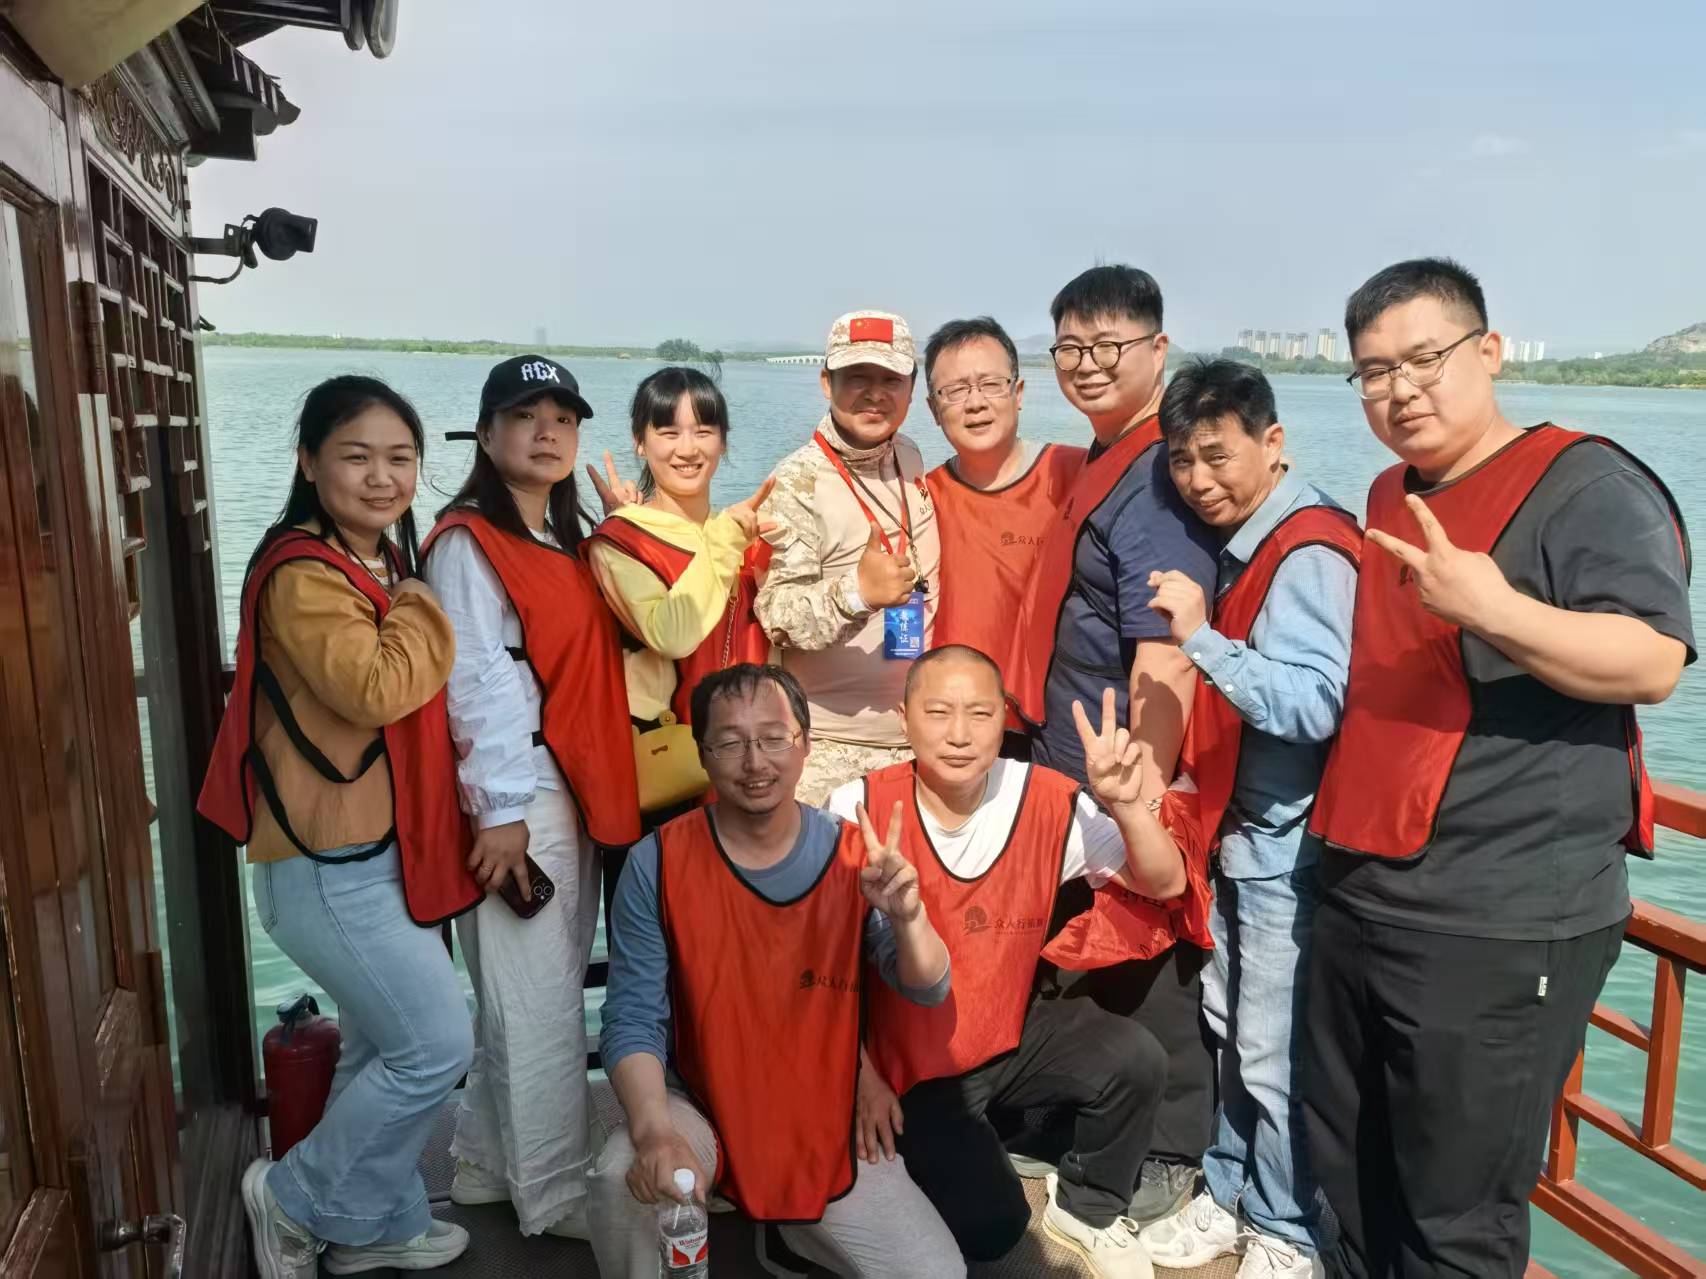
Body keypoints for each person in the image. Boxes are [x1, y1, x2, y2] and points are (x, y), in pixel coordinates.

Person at [1304, 258, 1693, 1278]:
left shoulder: (1586, 485)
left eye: (1423, 358)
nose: (1399, 389)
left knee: (1453, 1217)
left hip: (1497, 913)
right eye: (1373, 371)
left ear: (1489, 351)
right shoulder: (1390, 490)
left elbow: (1652, 660)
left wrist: (1495, 608)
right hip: (1364, 887)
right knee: (1347, 1175)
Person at [198, 376, 480, 1278]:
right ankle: (293, 1196)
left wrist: (404, 587)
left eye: (400, 458)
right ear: (309, 461)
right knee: (436, 1045)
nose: (381, 477)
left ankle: (373, 1225)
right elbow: (377, 687)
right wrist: (425, 599)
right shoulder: (307, 574)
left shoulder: (367, 559)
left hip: (371, 857)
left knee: (379, 1046)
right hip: (325, 866)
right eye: (356, 456)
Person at [829, 646, 1210, 1278]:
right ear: (903, 718)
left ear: (1004, 719)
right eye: (938, 712)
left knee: (1135, 1058)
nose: (959, 734)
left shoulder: (1046, 796)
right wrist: (860, 1077)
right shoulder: (856, 808)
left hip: (1005, 1035)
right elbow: (824, 971)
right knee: (993, 1230)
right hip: (910, 1069)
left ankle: (1086, 1209)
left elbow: (1165, 883)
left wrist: (1125, 804)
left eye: (979, 714)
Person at [588, 664, 966, 1278]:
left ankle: (794, 1231)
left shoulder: (855, 856)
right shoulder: (657, 861)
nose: (754, 761)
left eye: (773, 738)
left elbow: (928, 986)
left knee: (936, 1274)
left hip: (820, 1114)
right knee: (619, 1178)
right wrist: (655, 1130)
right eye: (730, 743)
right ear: (702, 754)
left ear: (805, 744)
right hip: (701, 1105)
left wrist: (909, 918)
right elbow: (632, 1016)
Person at [1133, 360, 1360, 1279]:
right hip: (1243, 834)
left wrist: (1200, 639)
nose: (1198, 479)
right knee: (1232, 1025)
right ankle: (1230, 1192)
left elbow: (1315, 703)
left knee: (1271, 1049)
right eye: (1182, 460)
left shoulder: (1307, 550)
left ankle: (1288, 1229)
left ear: (1272, 442)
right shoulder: (1253, 539)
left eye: (1217, 455)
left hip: (1285, 845)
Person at [1007, 265, 1221, 1223]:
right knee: (1093, 948)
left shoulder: (1156, 478)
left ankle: (1166, 1152)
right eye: (1071, 346)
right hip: (1074, 754)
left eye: (1110, 345)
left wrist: (1148, 793)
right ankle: (1090, 1126)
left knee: (1146, 946)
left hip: (1122, 760)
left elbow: (1166, 649)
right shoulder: (1105, 454)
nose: (1088, 364)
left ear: (1157, 349)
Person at [419, 355, 640, 1240]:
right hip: (522, 798)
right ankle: (552, 1195)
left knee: (526, 990)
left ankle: (481, 1163)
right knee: (541, 1001)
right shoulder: (469, 543)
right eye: (523, 415)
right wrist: (499, 811)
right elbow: (475, 680)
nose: (547, 431)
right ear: (485, 433)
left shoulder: (561, 537)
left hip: (564, 789)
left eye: (563, 417)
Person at [584, 366, 775, 910]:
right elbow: (672, 633)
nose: (687, 449)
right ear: (640, 442)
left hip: (749, 765)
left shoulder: (742, 533)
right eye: (668, 432)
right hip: (667, 775)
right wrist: (725, 542)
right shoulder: (620, 541)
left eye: (703, 431)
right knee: (659, 933)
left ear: (723, 441)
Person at [755, 310, 942, 805]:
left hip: (917, 741)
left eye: (890, 379)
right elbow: (777, 617)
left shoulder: (909, 455)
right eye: (857, 377)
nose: (875, 393)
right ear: (826, 383)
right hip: (827, 749)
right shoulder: (797, 482)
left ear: (912, 388)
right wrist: (857, 594)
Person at [919, 317, 1084, 755]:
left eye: (991, 384)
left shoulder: (1075, 474)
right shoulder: (919, 500)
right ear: (933, 410)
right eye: (955, 390)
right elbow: (906, 619)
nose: (975, 403)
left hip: (1059, 724)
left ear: (1019, 393)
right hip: (955, 728)